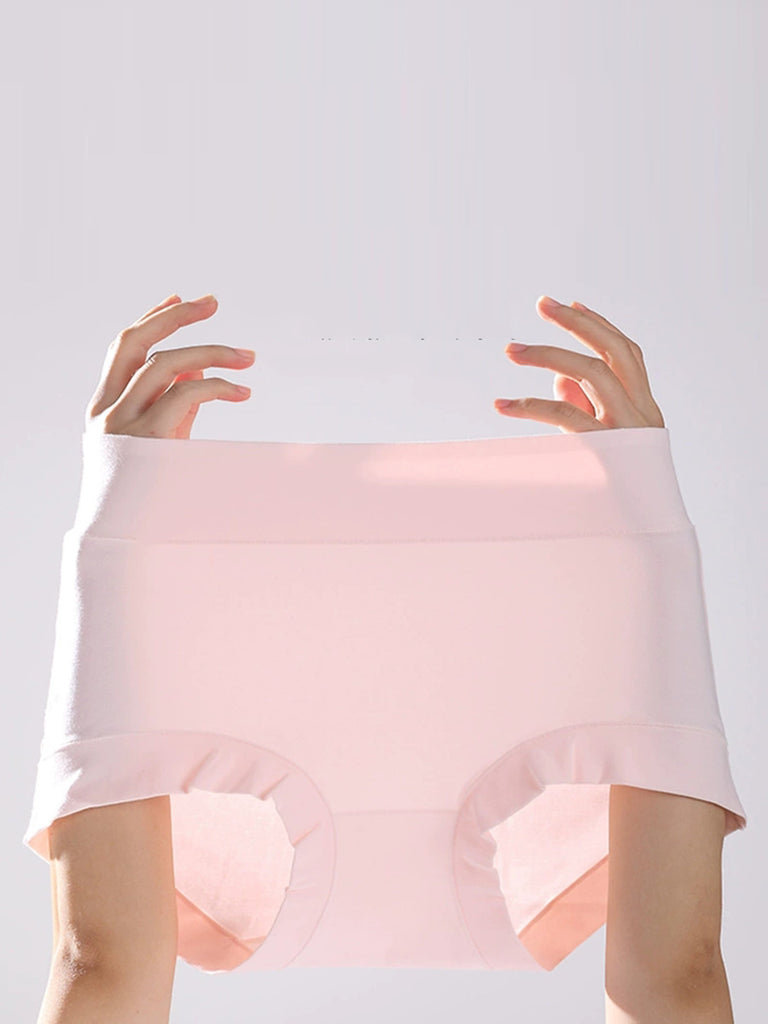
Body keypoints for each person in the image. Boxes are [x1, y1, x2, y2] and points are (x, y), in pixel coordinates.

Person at [35, 293, 736, 1024]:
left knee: (100, 965)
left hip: (583, 572)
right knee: (97, 964)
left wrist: (118, 534)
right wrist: (647, 534)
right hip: (593, 560)